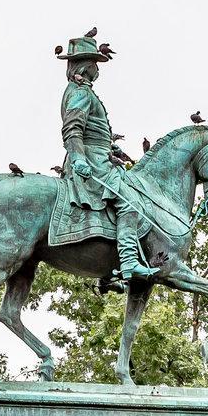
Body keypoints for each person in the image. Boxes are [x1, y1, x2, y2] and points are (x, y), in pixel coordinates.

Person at [55, 31, 158, 291]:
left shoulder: (82, 91)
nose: (98, 69)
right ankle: (128, 263)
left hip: (100, 156)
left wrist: (110, 146)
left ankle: (106, 272)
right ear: (87, 65)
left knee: (120, 203)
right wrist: (79, 157)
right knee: (130, 204)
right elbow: (73, 129)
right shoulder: (80, 93)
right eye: (95, 64)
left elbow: (92, 130)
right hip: (92, 161)